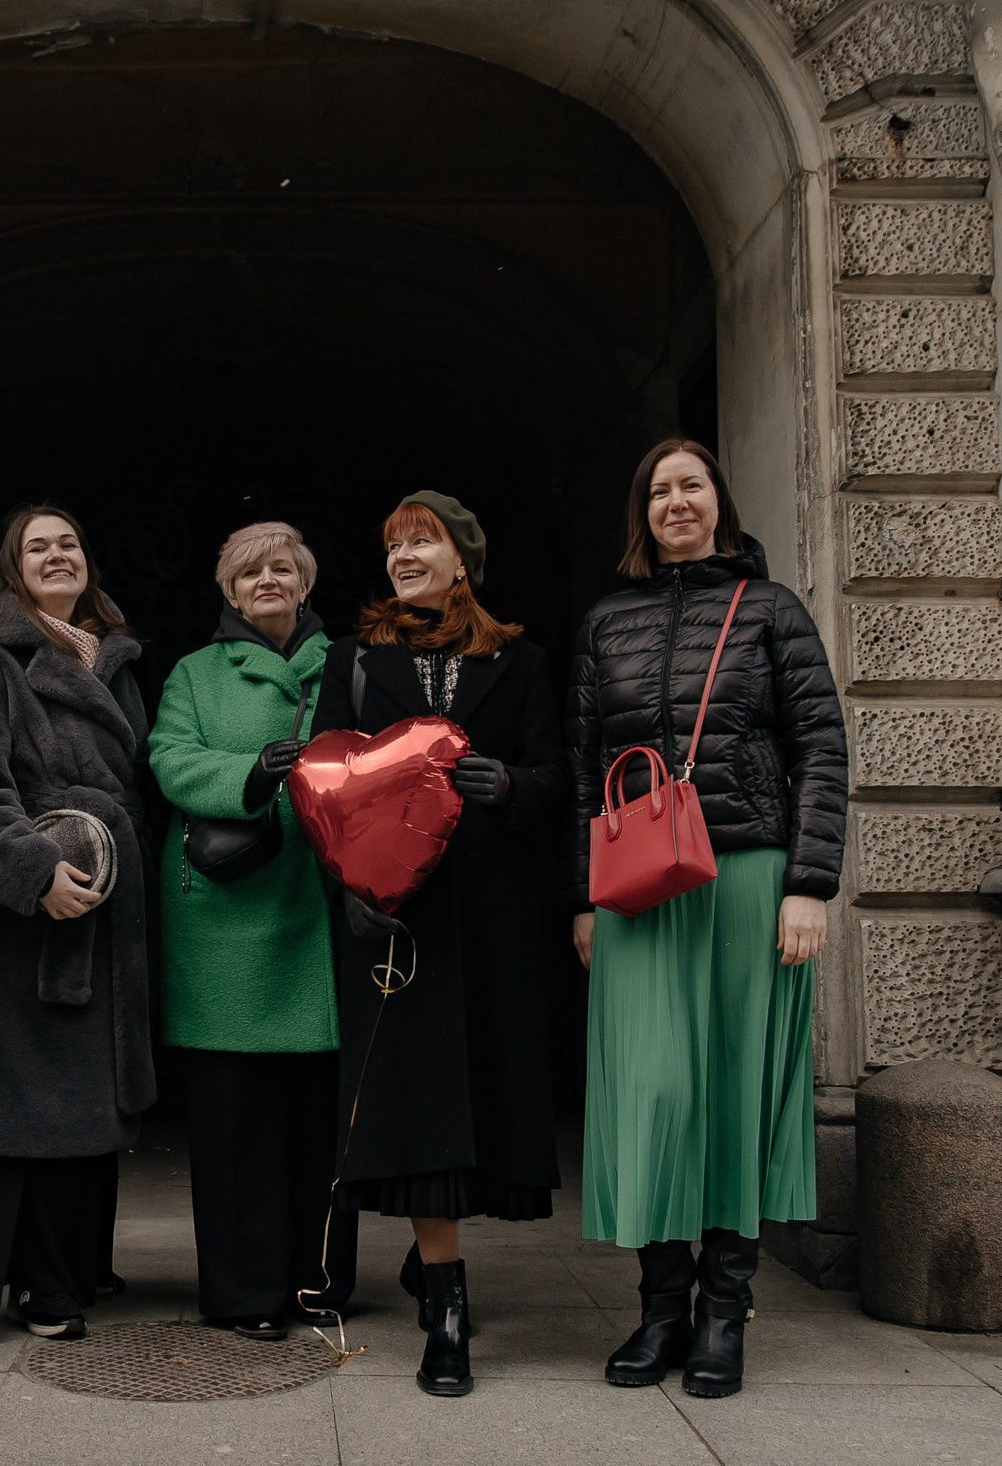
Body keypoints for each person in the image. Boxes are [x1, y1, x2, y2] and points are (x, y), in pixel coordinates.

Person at [565, 437, 848, 1400]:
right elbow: (579, 775)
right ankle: (659, 1311)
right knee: (655, 1094)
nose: (674, 502)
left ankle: (724, 1315)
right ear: (641, 513)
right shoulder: (608, 622)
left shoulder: (770, 610)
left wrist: (810, 883)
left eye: (691, 486)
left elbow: (821, 745)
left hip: (747, 874)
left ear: (719, 500)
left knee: (732, 1091)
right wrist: (584, 899)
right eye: (658, 491)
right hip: (639, 887)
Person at [310, 492, 569, 1398]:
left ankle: (433, 1270)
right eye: (392, 546)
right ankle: (449, 1308)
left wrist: (515, 787)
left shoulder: (524, 661)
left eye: (421, 542)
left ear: (463, 559)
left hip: (491, 915)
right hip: (395, 918)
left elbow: (557, 781)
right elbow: (324, 787)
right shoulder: (352, 660)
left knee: (482, 1102)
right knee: (419, 1109)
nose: (403, 557)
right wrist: (347, 893)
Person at [0, 505, 156, 1342]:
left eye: (70, 543)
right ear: (14, 569)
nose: (57, 555)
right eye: (39, 548)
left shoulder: (117, 663)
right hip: (29, 916)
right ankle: (41, 1285)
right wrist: (33, 877)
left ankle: (75, 1267)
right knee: (31, 1111)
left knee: (87, 1107)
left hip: (108, 903)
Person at [149, 522, 358, 1340]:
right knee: (234, 1123)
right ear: (228, 592)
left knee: (315, 1120)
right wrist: (246, 772)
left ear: (305, 584)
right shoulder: (195, 672)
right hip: (226, 918)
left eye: (282, 569)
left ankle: (315, 1283)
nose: (265, 580)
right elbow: (168, 757)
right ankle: (241, 1293)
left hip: (316, 906)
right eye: (248, 573)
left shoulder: (345, 664)